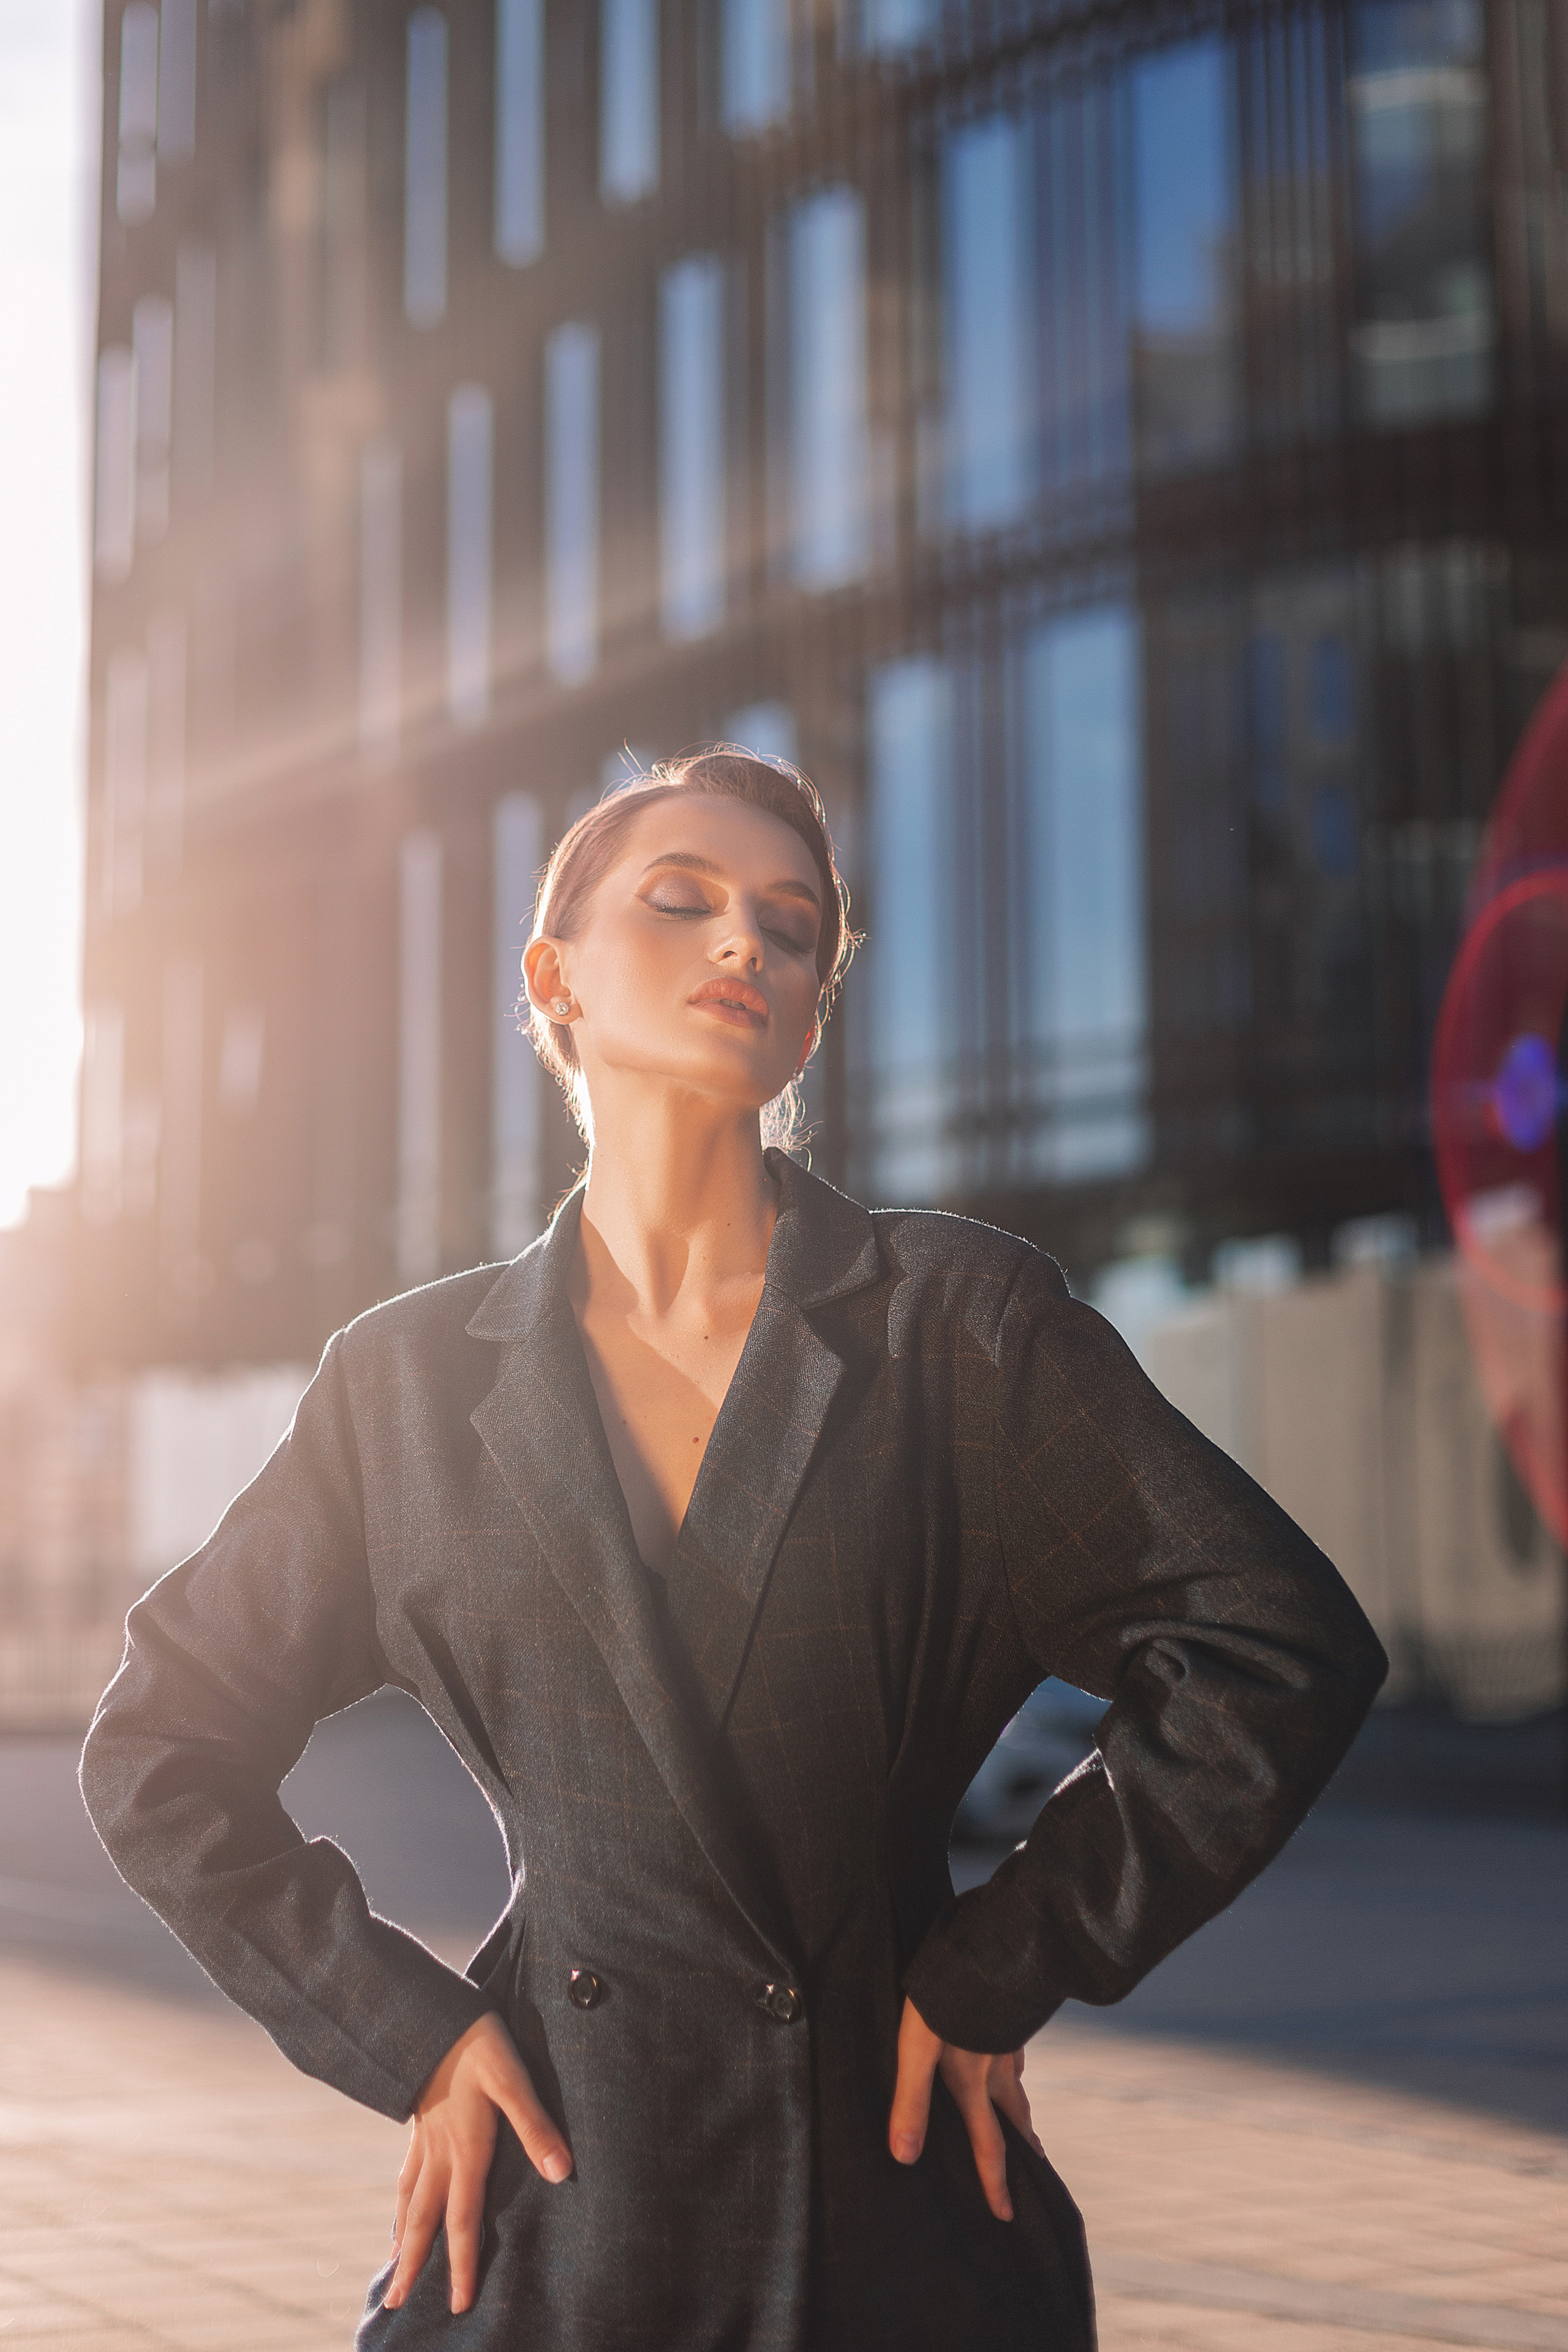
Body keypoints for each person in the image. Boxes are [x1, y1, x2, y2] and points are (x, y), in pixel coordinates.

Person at [81, 749, 1387, 2350]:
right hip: (564, 2200)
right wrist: (403, 2030)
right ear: (551, 977)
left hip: (889, 2205)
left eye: (791, 927)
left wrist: (1017, 1952)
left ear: (813, 1019)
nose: (745, 948)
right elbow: (160, 1750)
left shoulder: (953, 1329)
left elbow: (1272, 1645)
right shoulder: (407, 1388)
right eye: (683, 903)